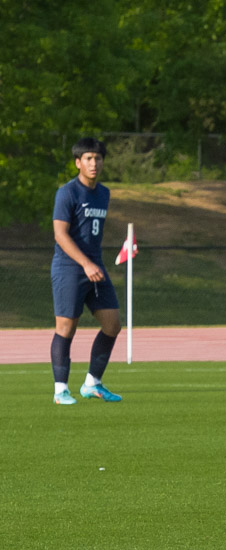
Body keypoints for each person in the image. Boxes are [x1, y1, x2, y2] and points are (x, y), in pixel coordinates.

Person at [50, 137, 122, 405]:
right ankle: (60, 391)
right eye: (89, 159)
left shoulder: (104, 192)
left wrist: (93, 264)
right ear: (78, 162)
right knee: (67, 328)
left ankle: (93, 383)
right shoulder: (66, 193)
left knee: (113, 324)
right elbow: (60, 234)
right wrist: (85, 263)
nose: (94, 163)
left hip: (95, 267)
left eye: (98, 158)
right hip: (69, 267)